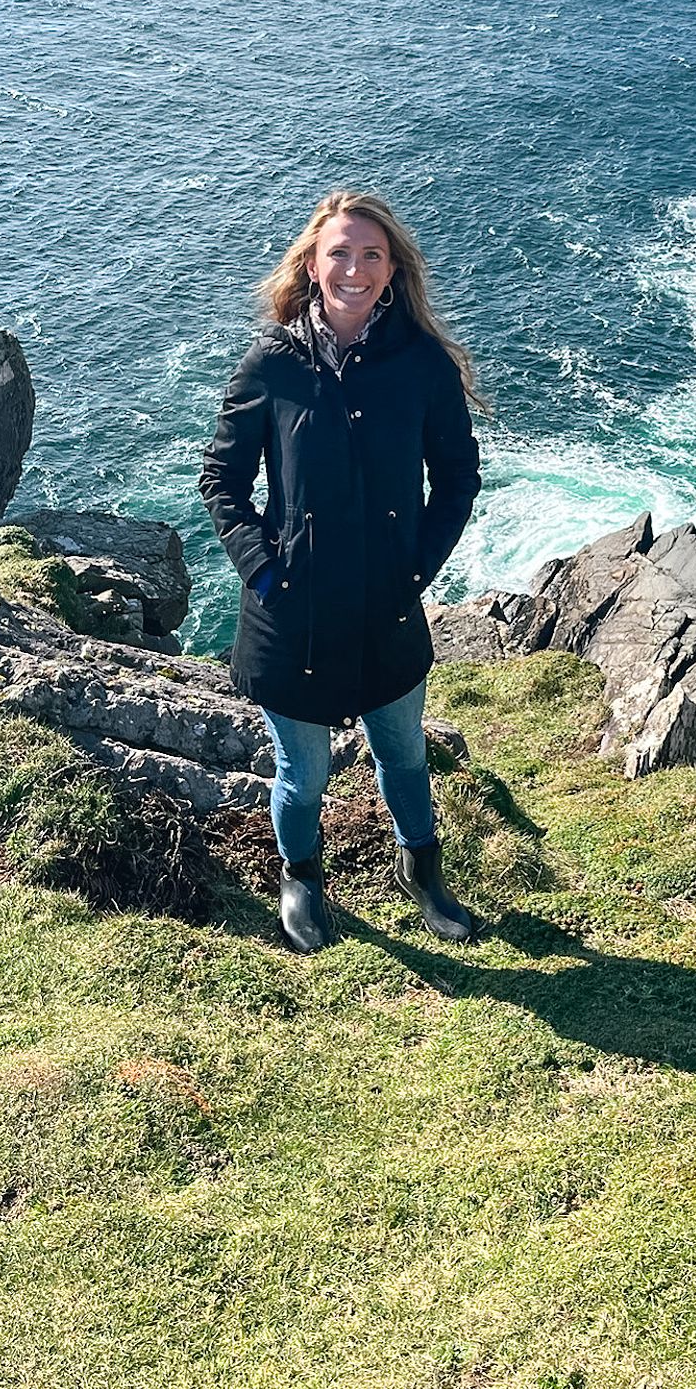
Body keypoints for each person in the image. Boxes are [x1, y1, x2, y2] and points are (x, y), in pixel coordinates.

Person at [198, 189, 485, 954]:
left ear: (391, 270)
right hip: (291, 615)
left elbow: (457, 475)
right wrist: (262, 572)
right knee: (303, 772)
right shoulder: (272, 363)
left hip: (388, 606)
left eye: (371, 255)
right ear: (313, 264)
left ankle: (422, 873)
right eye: (340, 253)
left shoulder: (421, 364)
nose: (354, 268)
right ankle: (301, 879)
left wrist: (418, 564)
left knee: (405, 754)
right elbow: (221, 480)